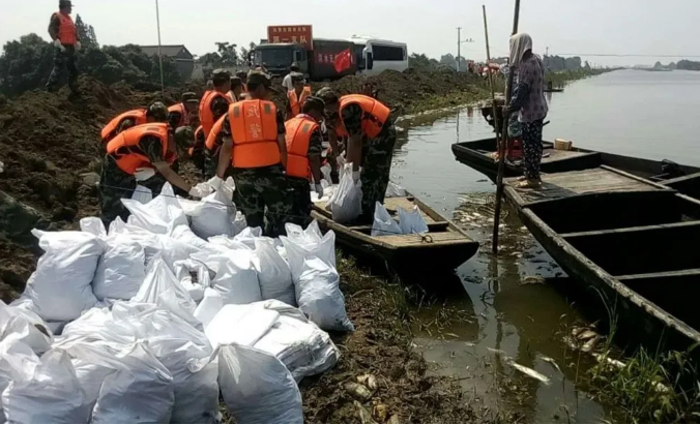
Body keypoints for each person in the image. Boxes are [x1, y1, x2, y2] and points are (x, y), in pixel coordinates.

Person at [211, 72, 290, 237]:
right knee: (278, 216)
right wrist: (284, 168)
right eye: (267, 90)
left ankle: (256, 250)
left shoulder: (232, 113)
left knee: (253, 220)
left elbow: (227, 147)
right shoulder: (272, 110)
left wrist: (219, 176)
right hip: (271, 172)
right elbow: (282, 144)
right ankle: (276, 252)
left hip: (243, 174)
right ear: (261, 88)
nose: (268, 94)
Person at [100, 123, 205, 225]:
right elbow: (167, 173)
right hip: (116, 164)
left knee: (137, 195)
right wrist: (190, 189)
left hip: (134, 167)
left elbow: (166, 163)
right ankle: (107, 228)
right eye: (177, 148)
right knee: (113, 204)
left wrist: (154, 171)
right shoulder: (153, 141)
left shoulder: (169, 140)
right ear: (173, 139)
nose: (176, 152)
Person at [318, 88, 396, 224]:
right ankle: (374, 208)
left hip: (382, 134)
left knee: (371, 174)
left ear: (327, 105)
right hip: (378, 131)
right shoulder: (344, 105)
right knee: (374, 172)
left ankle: (368, 213)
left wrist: (352, 171)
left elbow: (356, 141)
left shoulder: (347, 109)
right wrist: (347, 163)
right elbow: (351, 139)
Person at [505, 33, 548, 188]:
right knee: (534, 145)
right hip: (539, 108)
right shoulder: (537, 59)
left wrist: (510, 108)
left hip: (531, 111)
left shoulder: (526, 65)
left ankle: (532, 179)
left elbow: (522, 92)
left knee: (530, 147)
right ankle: (530, 175)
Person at [284, 96, 325, 227]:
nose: (320, 118)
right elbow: (313, 158)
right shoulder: (313, 128)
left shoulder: (287, 123)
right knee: (300, 216)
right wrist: (317, 182)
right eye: (320, 114)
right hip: (299, 178)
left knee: (283, 213)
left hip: (281, 174)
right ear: (313, 112)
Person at [46, 0, 81, 94]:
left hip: (70, 47)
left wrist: (78, 40)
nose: (70, 9)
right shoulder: (57, 17)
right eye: (69, 7)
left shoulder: (69, 18)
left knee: (73, 68)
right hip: (62, 46)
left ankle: (74, 87)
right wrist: (56, 41)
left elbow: (74, 30)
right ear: (64, 7)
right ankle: (51, 88)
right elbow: (51, 29)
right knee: (59, 67)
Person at [101, 102, 170, 143]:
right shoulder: (131, 123)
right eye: (159, 121)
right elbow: (121, 140)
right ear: (151, 117)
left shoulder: (145, 119)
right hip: (108, 141)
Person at [199, 69, 232, 138]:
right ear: (226, 83)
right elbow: (224, 125)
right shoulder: (220, 101)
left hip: (209, 139)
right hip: (218, 142)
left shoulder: (209, 96)